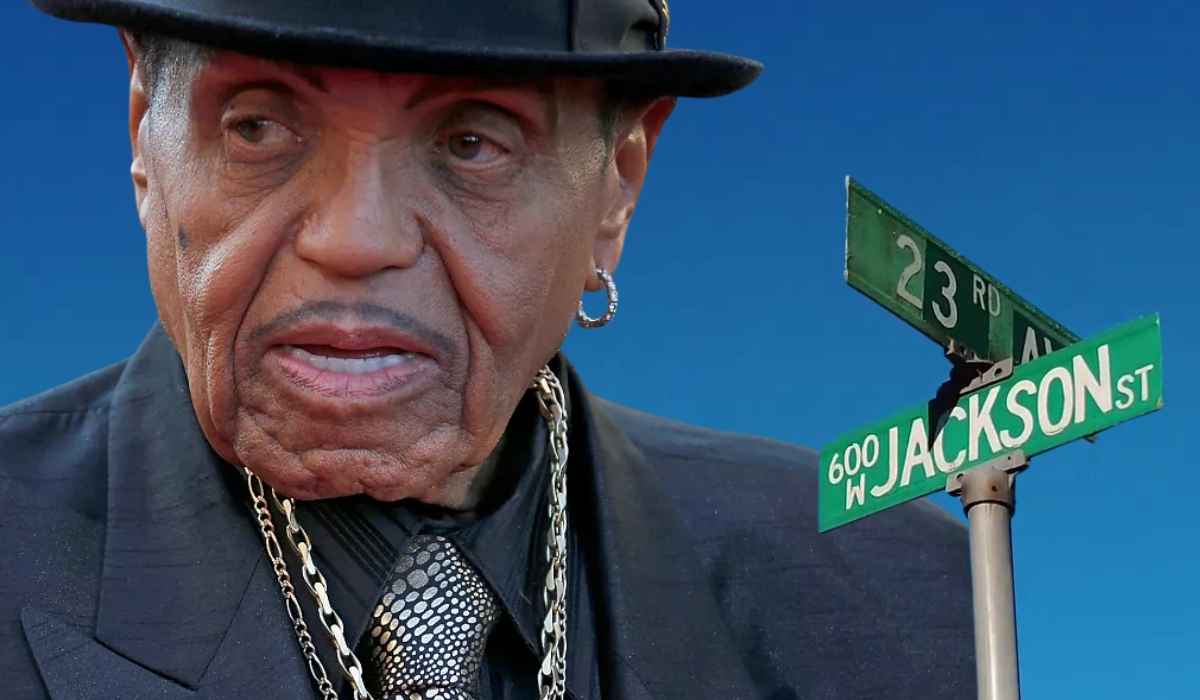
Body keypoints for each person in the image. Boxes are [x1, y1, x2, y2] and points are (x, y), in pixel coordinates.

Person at [1, 1, 975, 698]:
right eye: (258, 125)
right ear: (143, 131)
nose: (356, 239)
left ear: (618, 185)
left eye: (473, 141)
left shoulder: (921, 603)